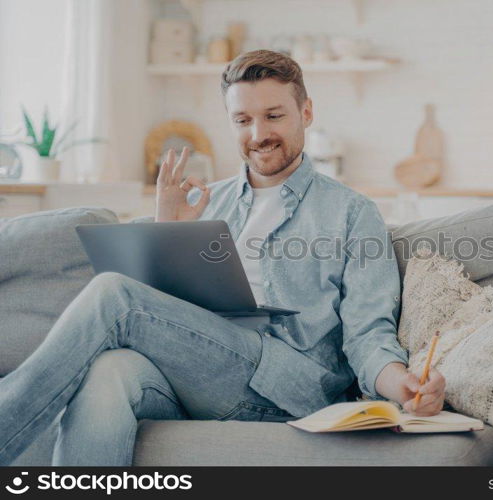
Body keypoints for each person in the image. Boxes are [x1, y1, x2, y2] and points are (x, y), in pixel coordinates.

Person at [0, 50, 445, 466]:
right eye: (243, 119)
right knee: (107, 372)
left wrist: (400, 383)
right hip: (198, 377)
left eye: (274, 116)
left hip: (287, 388)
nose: (258, 134)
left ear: (306, 113)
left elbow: (368, 334)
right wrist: (167, 226)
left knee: (114, 294)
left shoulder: (351, 213)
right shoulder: (205, 202)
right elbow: (162, 321)